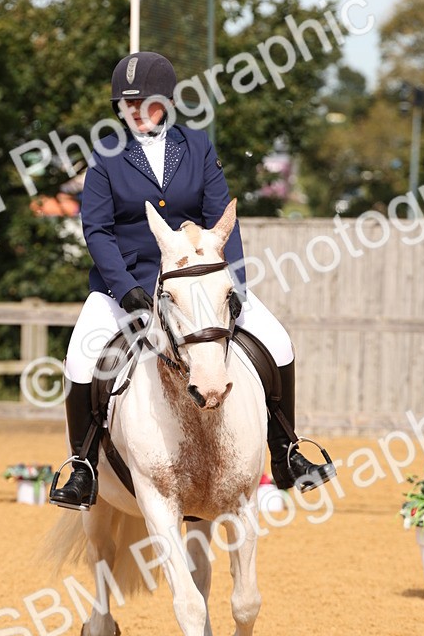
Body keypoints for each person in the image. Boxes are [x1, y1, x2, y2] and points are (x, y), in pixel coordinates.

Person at [50, 50, 335, 511]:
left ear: (167, 102)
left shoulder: (197, 146)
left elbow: (223, 219)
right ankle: (82, 466)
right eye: (128, 105)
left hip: (200, 283)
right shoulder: (105, 157)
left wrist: (235, 285)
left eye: (147, 103)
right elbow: (97, 231)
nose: (138, 113)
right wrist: (125, 288)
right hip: (126, 283)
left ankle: (286, 451)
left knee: (278, 342)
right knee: (82, 361)